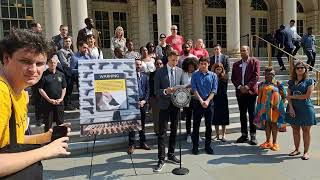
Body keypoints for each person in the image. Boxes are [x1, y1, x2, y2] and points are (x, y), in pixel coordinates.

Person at [0, 28, 70, 177]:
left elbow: (13, 141)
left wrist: (46, 137)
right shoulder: (1, 93)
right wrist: (44, 151)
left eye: (39, 63)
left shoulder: (21, 92)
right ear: (6, 58)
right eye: (25, 61)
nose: (33, 70)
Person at [153, 50, 183, 172]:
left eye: (177, 60)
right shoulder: (160, 72)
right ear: (168, 58)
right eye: (173, 60)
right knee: (162, 132)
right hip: (164, 105)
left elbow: (182, 87)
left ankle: (171, 154)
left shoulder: (180, 71)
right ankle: (161, 159)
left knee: (174, 130)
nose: (175, 62)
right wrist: (166, 91)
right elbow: (156, 91)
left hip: (176, 105)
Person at [286, 62, 316, 160]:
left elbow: (307, 96)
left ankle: (306, 152)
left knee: (306, 130)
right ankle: (296, 149)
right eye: (297, 68)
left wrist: (293, 96)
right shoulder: (291, 82)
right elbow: (288, 96)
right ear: (294, 70)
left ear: (305, 69)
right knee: (295, 129)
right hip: (293, 107)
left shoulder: (309, 81)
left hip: (306, 108)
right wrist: (290, 107)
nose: (299, 69)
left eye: (302, 67)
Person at [231, 46, 260, 145]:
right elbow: (233, 78)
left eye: (245, 50)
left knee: (251, 114)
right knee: (242, 114)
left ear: (249, 51)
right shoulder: (236, 64)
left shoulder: (254, 62)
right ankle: (244, 135)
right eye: (241, 51)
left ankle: (253, 135)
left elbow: (256, 76)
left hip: (251, 92)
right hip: (240, 93)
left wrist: (247, 87)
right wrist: (240, 87)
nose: (243, 52)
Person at [254, 67, 286, 151]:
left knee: (274, 124)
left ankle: (275, 143)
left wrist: (279, 106)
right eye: (267, 74)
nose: (269, 75)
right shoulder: (261, 84)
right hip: (264, 108)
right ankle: (268, 141)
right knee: (267, 124)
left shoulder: (278, 84)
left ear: (274, 75)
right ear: (264, 75)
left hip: (274, 108)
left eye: (271, 74)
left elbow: (284, 95)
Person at [191, 57, 217, 155]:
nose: (202, 65)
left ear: (208, 64)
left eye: (205, 64)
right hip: (198, 103)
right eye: (201, 63)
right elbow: (194, 89)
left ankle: (208, 146)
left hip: (209, 103)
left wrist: (207, 101)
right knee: (196, 126)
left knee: (208, 126)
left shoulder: (213, 75)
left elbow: (214, 90)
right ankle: (195, 146)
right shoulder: (195, 74)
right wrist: (201, 101)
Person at [127, 59, 152, 154]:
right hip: (133, 103)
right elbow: (127, 91)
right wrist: (134, 101)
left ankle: (143, 142)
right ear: (133, 65)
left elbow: (147, 90)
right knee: (132, 124)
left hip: (142, 103)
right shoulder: (129, 77)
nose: (138, 66)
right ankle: (132, 144)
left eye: (140, 64)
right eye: (137, 64)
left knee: (142, 124)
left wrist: (144, 101)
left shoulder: (145, 76)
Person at [39, 55, 67, 132]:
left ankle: (61, 141)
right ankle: (48, 142)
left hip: (59, 103)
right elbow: (40, 89)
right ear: (47, 63)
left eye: (54, 62)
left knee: (60, 124)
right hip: (48, 104)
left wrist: (61, 98)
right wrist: (49, 99)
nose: (53, 64)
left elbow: (64, 87)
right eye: (51, 62)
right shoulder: (43, 75)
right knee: (48, 125)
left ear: (57, 63)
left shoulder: (61, 74)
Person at [181, 57, 198, 143]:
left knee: (196, 117)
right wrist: (187, 86)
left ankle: (195, 133)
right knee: (188, 117)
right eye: (189, 66)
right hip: (186, 97)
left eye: (192, 66)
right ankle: (188, 134)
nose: (190, 68)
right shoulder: (183, 73)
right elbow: (181, 85)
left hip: (195, 97)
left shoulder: (197, 73)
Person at [211, 63, 229, 142]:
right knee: (216, 117)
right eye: (217, 69)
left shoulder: (225, 77)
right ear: (214, 70)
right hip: (214, 98)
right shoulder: (211, 77)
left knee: (224, 117)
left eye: (220, 69)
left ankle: (223, 135)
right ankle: (217, 135)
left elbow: (224, 89)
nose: (218, 71)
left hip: (223, 99)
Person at [57, 36, 76, 110]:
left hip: (71, 72)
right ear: (63, 42)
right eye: (66, 41)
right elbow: (64, 63)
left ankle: (69, 103)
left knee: (70, 89)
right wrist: (72, 66)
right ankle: (66, 104)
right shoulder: (61, 51)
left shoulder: (71, 51)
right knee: (67, 89)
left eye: (69, 41)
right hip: (66, 72)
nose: (68, 43)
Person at [149, 58, 164, 135]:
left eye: (160, 64)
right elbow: (150, 87)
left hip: (164, 98)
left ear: (163, 65)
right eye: (157, 64)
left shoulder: (166, 74)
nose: (159, 65)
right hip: (155, 98)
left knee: (164, 116)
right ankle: (157, 131)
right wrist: (155, 96)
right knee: (156, 116)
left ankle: (163, 130)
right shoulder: (151, 74)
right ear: (155, 65)